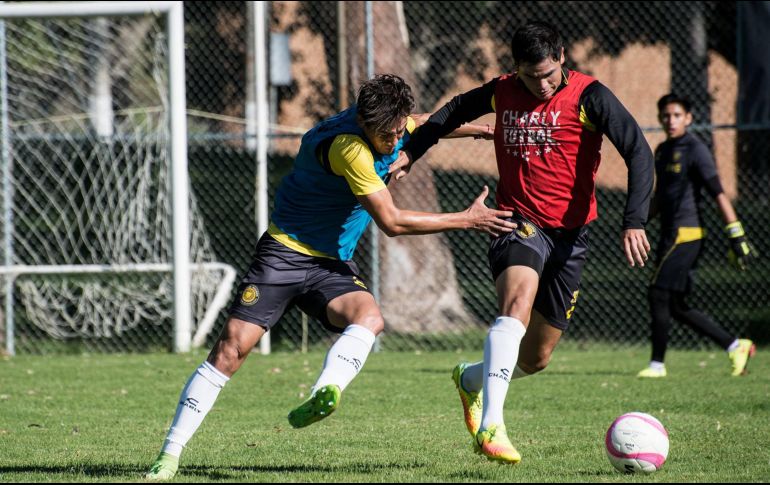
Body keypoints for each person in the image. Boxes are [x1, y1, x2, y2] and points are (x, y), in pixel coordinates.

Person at [145, 74, 516, 480]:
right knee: (231, 351)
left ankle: (327, 390)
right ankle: (169, 455)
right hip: (284, 255)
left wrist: (477, 130)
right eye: (387, 137)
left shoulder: (383, 121)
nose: (394, 144)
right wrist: (466, 219)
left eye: (397, 133)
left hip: (330, 266)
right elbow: (391, 222)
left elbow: (423, 122)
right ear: (364, 122)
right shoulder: (349, 148)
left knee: (370, 317)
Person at [391, 21, 654, 464]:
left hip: (571, 236)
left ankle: (470, 379)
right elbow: (452, 110)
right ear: (516, 69)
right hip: (517, 221)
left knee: (536, 358)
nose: (542, 84)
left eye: (549, 74)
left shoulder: (591, 96)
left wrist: (635, 221)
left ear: (563, 58)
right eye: (532, 76)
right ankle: (493, 424)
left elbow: (639, 151)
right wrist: (412, 153)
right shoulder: (503, 90)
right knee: (515, 306)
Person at [636, 94, 756, 379]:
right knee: (676, 306)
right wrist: (635, 222)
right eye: (665, 115)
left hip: (687, 234)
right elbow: (660, 198)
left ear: (688, 118)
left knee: (658, 293)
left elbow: (718, 192)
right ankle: (736, 345)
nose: (670, 120)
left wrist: (736, 234)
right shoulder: (663, 150)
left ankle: (657, 365)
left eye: (677, 115)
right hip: (669, 235)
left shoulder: (696, 149)